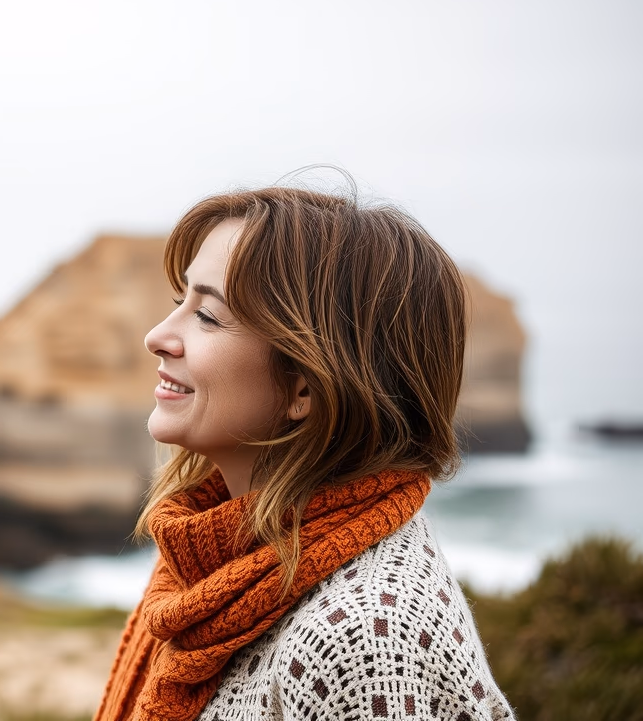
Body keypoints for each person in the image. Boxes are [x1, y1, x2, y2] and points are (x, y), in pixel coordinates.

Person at [95, 186, 514, 720]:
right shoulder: (206, 564)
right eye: (181, 303)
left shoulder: (368, 643)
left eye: (208, 317)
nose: (157, 337)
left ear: (306, 389)